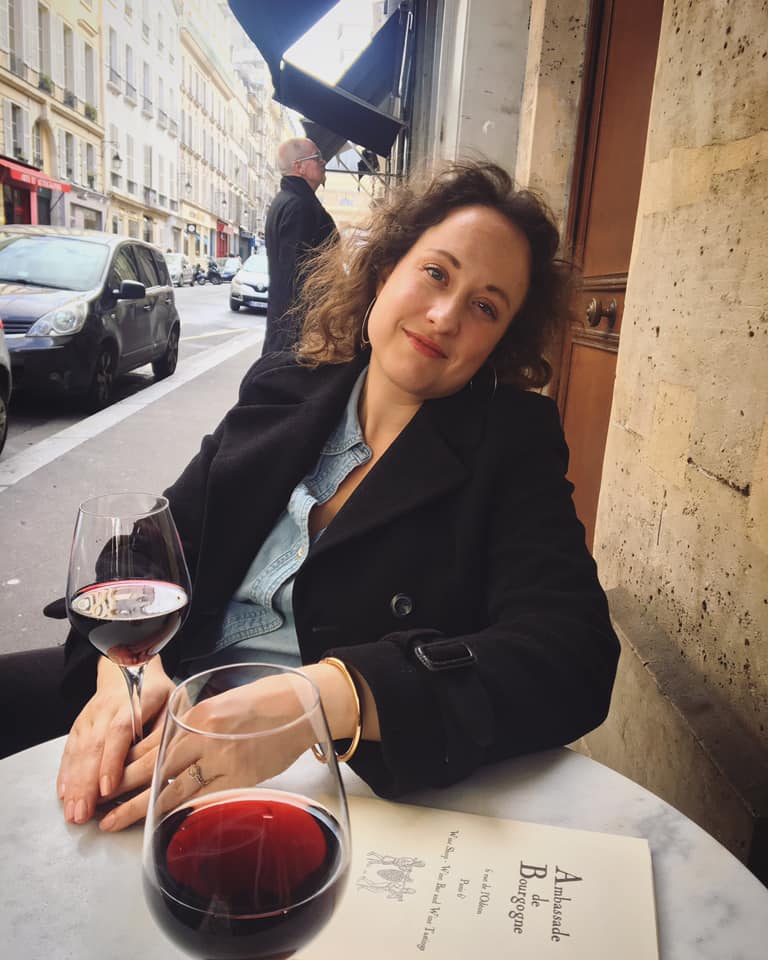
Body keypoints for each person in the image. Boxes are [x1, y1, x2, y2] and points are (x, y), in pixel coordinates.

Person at [36, 160, 620, 832]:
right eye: (436, 273)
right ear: (386, 272)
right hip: (164, 705)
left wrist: (323, 697)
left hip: (330, 784)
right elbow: (150, 549)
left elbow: (572, 654)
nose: (444, 316)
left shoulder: (511, 445)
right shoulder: (286, 385)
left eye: (485, 307)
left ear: (499, 343)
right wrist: (125, 673)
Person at [262, 138, 338, 355]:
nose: (323, 162)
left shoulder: (287, 200)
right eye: (317, 157)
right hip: (298, 331)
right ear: (299, 167)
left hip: (287, 327)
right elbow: (299, 274)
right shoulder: (300, 206)